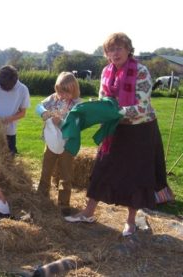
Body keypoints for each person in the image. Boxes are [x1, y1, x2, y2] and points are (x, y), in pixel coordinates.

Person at [64, 33, 169, 237]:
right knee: (102, 167)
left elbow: (142, 105)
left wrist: (118, 112)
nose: (115, 52)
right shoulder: (106, 71)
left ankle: (130, 222)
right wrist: (98, 110)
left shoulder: (140, 71)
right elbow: (104, 98)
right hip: (115, 128)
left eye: (120, 48)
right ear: (106, 54)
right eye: (111, 49)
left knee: (135, 175)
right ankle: (88, 212)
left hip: (141, 129)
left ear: (129, 49)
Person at [36, 72, 81, 210]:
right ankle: (41, 198)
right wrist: (43, 112)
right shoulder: (53, 98)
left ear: (74, 90)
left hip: (66, 144)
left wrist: (61, 123)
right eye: (60, 91)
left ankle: (63, 204)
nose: (62, 95)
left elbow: (76, 125)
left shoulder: (77, 104)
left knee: (65, 174)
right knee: (46, 170)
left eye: (66, 92)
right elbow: (39, 106)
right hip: (50, 142)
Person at [0, 65, 30, 155]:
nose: (5, 90)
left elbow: (23, 113)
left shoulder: (23, 89)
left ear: (15, 81)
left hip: (10, 131)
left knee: (9, 158)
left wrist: (7, 119)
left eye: (8, 87)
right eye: (2, 87)